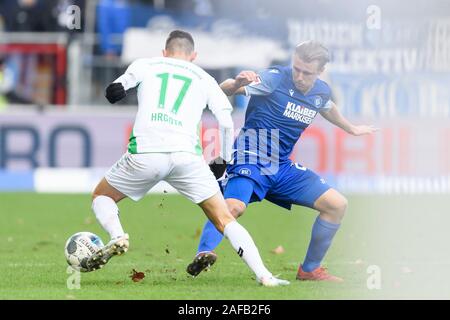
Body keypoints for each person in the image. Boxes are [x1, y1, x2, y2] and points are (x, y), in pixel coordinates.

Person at [87, 30, 289, 287]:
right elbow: (226, 123)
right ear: (193, 56)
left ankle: (117, 235)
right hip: (187, 158)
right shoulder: (204, 77)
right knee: (224, 218)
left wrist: (117, 90)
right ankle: (265, 276)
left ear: (164, 52)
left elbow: (119, 86)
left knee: (102, 196)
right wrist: (223, 160)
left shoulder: (146, 64)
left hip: (146, 153)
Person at [187, 40, 379, 282]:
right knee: (234, 207)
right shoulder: (274, 78)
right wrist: (236, 83)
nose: (298, 76)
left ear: (320, 72)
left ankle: (309, 270)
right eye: (296, 68)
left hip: (281, 166)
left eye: (306, 72)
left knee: (336, 205)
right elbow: (222, 89)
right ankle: (204, 252)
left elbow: (327, 107)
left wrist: (351, 128)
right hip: (251, 158)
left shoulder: (321, 91)